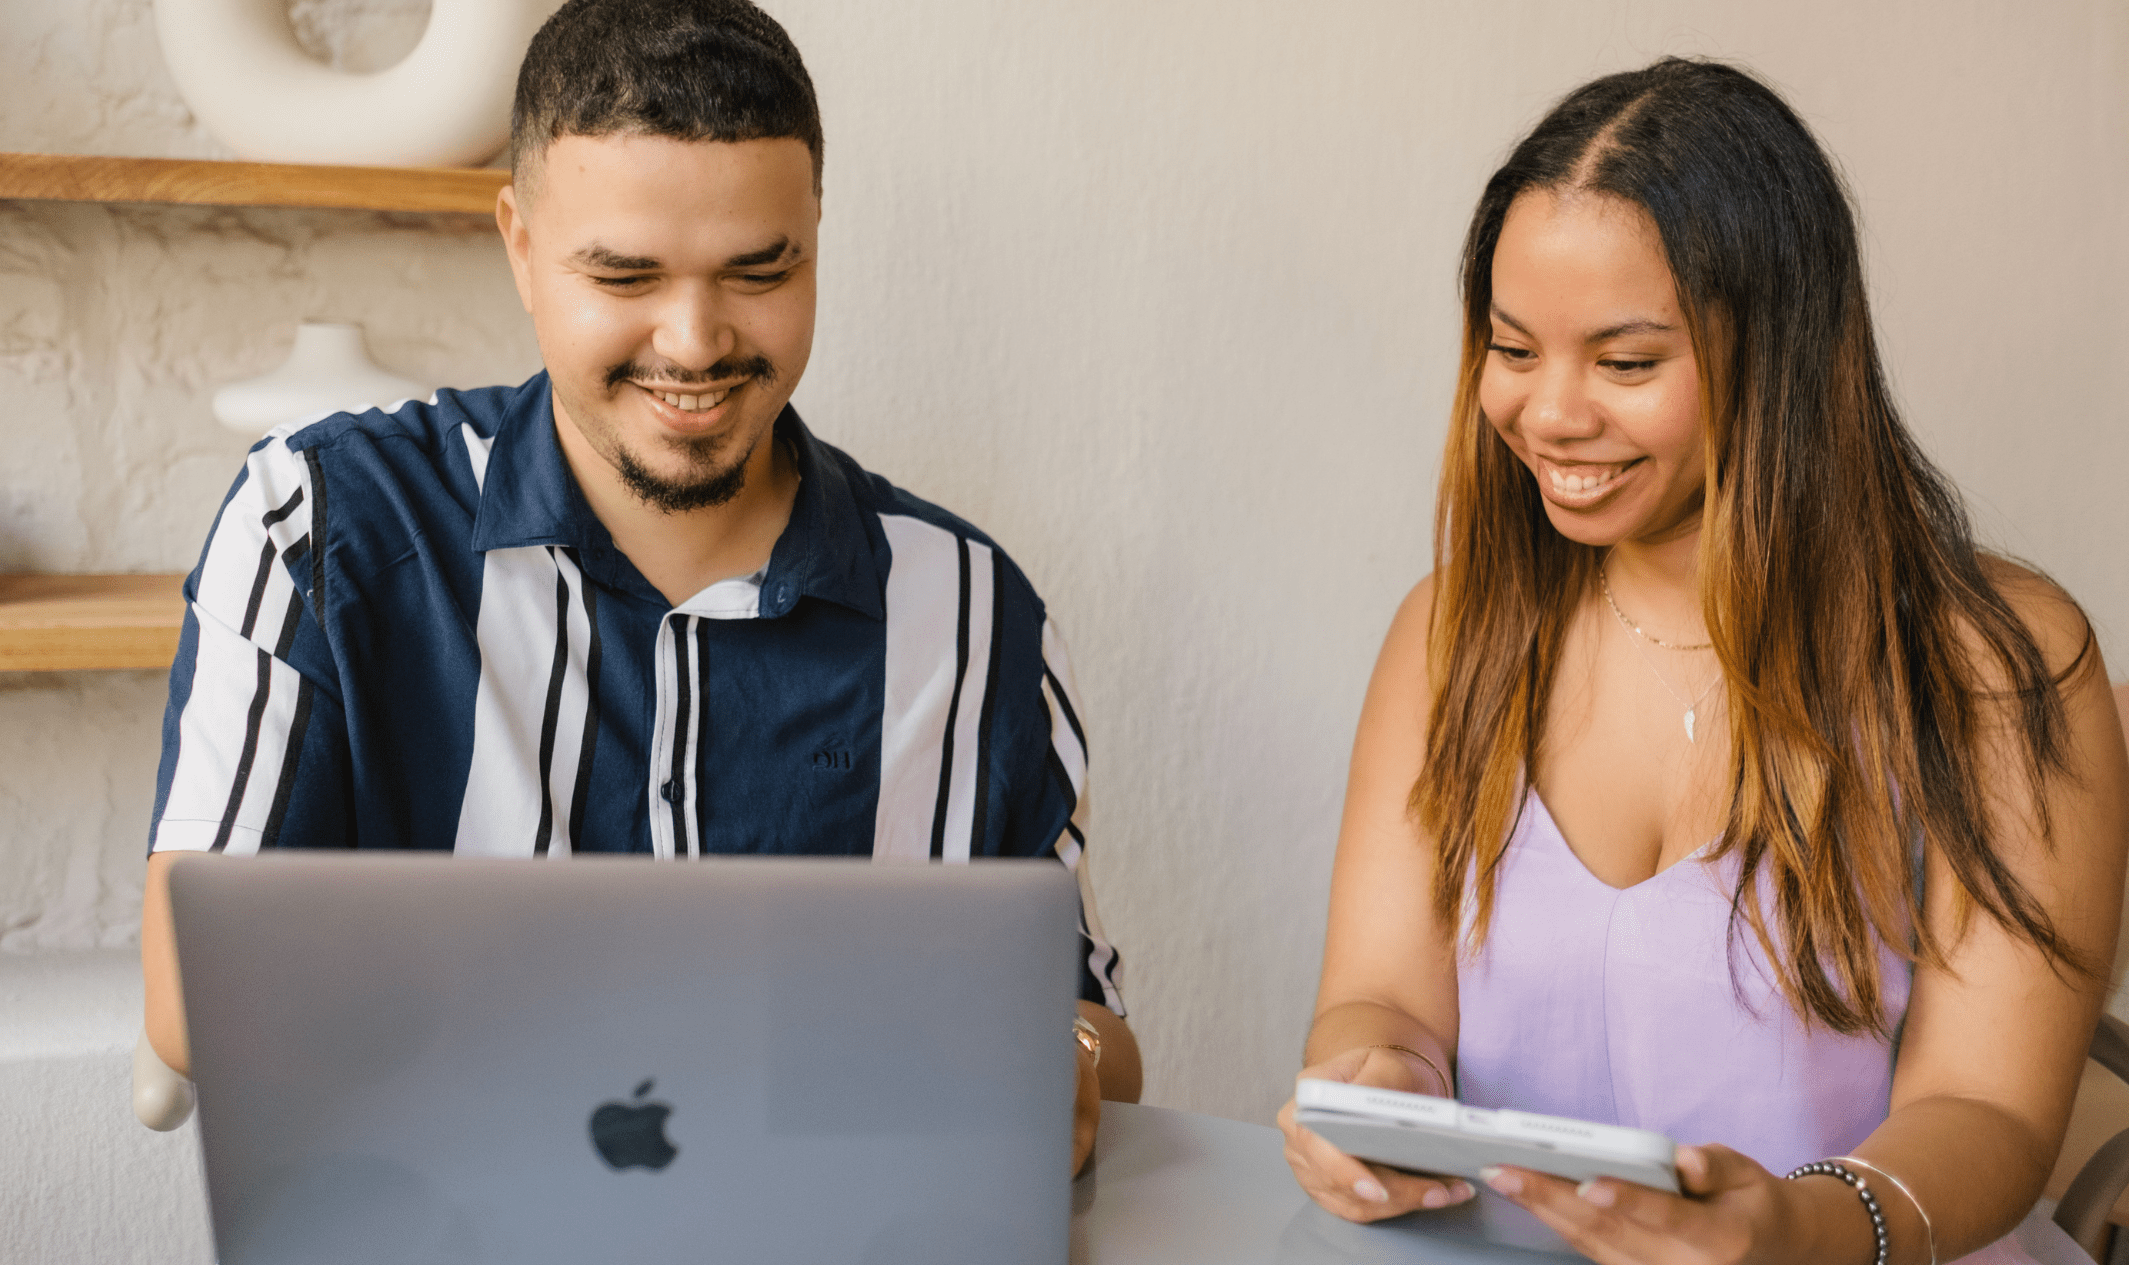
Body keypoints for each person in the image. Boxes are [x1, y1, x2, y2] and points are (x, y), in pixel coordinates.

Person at [139, 0, 1139, 1173]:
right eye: (623, 274)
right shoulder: (321, 527)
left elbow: (1098, 1036)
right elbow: (196, 1000)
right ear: (518, 244)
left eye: (760, 270)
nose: (695, 340)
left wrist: (1060, 1052)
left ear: (816, 231)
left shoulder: (973, 613)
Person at [1279, 57, 2129, 1264]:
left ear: (1779, 353)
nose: (1551, 413)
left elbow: (1989, 1111)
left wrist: (1799, 1224)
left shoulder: (1994, 661)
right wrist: (1370, 1084)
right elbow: (1386, 1002)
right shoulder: (1450, 633)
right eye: (1513, 349)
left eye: (1625, 364)